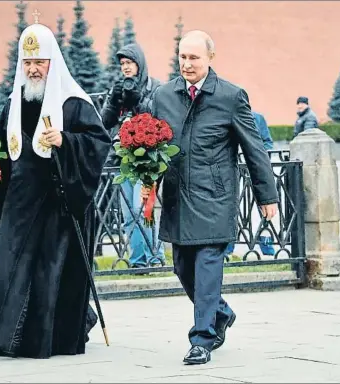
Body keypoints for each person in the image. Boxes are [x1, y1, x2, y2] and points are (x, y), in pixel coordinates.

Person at [144, 30, 279, 365]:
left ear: (210, 59)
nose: (187, 64)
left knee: (206, 268)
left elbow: (254, 149)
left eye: (194, 58)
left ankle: (202, 340)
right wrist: (146, 180)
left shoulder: (231, 97)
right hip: (177, 197)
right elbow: (153, 144)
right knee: (182, 268)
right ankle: (220, 312)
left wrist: (267, 195)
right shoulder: (164, 95)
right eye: (183, 57)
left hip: (214, 198)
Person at [0, 21, 111, 359]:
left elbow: (98, 142)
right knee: (10, 272)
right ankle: (8, 340)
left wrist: (65, 141)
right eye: (27, 63)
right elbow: (0, 151)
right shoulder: (13, 104)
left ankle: (51, 339)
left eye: (39, 62)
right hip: (19, 204)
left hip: (57, 204)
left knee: (47, 276)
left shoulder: (73, 102)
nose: (33, 69)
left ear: (52, 63)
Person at [101, 43, 165, 269]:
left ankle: (155, 257)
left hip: (147, 159)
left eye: (130, 63)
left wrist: (138, 100)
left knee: (144, 209)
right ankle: (138, 260)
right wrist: (113, 102)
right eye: (123, 64)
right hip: (123, 159)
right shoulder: (117, 88)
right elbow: (104, 123)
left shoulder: (155, 87)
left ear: (140, 64)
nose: (126, 68)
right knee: (129, 212)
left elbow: (160, 118)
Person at [224, 110, 275, 257]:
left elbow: (267, 142)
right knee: (232, 207)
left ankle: (266, 246)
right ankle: (228, 247)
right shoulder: (226, 117)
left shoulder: (257, 118)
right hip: (232, 170)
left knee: (261, 207)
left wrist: (255, 155)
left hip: (254, 170)